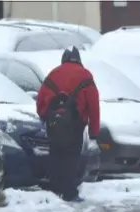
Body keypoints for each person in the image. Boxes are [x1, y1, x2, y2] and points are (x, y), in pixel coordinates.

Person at [36, 46, 100, 202]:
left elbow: (40, 99)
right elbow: (93, 105)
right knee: (71, 159)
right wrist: (94, 131)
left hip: (54, 124)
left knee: (56, 157)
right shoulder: (85, 75)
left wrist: (45, 116)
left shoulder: (53, 74)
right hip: (75, 126)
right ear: (79, 60)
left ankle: (55, 190)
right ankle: (69, 192)